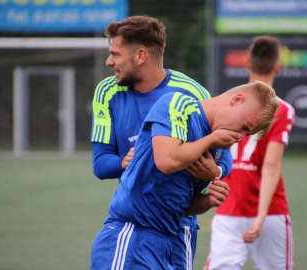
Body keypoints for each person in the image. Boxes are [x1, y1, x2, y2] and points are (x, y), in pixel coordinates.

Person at [90, 15, 234, 270]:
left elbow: (224, 155)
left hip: (182, 223)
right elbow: (100, 163)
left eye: (115, 54)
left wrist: (217, 171)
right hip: (138, 221)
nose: (109, 61)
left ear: (140, 56)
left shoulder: (192, 93)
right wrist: (125, 162)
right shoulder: (107, 91)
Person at [91, 81, 279, 269]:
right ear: (237, 100)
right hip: (132, 235)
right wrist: (210, 140)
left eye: (248, 134)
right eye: (245, 126)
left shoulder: (214, 148)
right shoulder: (178, 104)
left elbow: (182, 205)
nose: (241, 136)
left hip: (167, 242)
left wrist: (209, 200)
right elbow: (167, 161)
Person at [204, 36, 295, 270]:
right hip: (269, 211)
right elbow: (271, 166)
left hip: (228, 203)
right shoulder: (282, 109)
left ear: (247, 64)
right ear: (277, 66)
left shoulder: (230, 103)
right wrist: (261, 216)